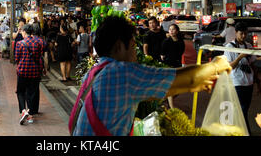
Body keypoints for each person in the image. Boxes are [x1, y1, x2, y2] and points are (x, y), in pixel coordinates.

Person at [70, 16, 232, 136]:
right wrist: (216, 66)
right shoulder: (122, 72)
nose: (135, 53)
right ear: (120, 46)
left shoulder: (95, 72)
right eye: (133, 47)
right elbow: (188, 79)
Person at [224, 22, 261, 135]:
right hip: (237, 83)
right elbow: (230, 66)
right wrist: (240, 56)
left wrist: (258, 83)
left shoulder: (248, 46)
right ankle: (245, 132)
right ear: (236, 33)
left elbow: (253, 65)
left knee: (243, 110)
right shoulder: (229, 47)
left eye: (245, 34)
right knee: (242, 110)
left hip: (249, 83)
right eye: (241, 34)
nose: (244, 36)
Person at [15, 24, 45, 125]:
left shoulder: (20, 43)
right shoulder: (38, 42)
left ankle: (23, 110)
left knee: (20, 92)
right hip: (35, 72)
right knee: (32, 93)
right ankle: (30, 116)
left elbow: (16, 58)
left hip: (22, 72)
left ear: (24, 32)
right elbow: (40, 55)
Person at [161, 24, 186, 108]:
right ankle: (172, 108)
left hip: (177, 66)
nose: (171, 31)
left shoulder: (181, 42)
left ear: (177, 31)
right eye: (170, 29)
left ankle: (165, 99)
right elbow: (162, 55)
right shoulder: (166, 41)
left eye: (173, 29)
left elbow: (181, 53)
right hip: (168, 66)